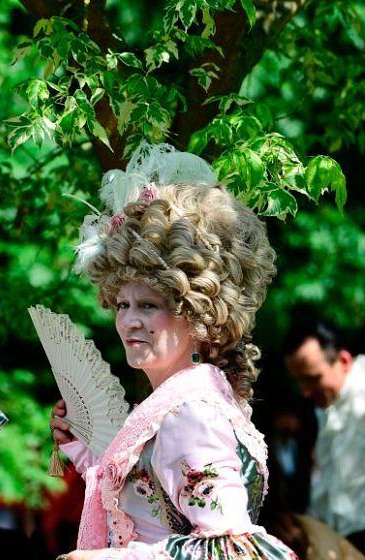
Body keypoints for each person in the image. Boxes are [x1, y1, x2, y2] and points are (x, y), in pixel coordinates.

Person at [49, 144, 296, 559]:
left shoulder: (190, 412)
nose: (129, 321)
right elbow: (155, 510)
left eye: (149, 305)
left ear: (196, 313)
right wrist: (85, 447)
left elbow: (232, 549)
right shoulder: (184, 399)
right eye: (122, 304)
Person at [284, 319, 365, 550]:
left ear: (343, 361)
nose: (305, 392)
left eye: (312, 378)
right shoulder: (322, 408)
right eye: (299, 381)